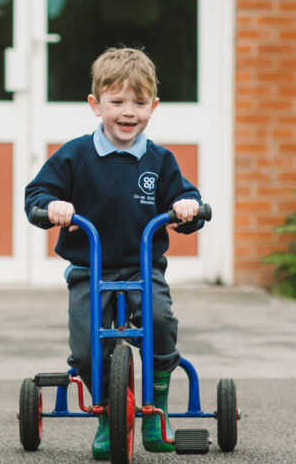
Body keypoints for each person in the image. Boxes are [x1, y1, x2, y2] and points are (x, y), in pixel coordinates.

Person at [24, 47, 202, 459]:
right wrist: (53, 207)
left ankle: (155, 412)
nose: (128, 112)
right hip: (90, 268)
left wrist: (187, 209)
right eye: (117, 101)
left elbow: (186, 197)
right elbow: (38, 193)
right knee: (86, 344)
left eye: (139, 103)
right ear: (96, 104)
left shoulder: (160, 160)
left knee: (160, 320)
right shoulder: (75, 155)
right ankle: (107, 415)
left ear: (153, 107)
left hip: (143, 268)